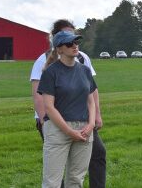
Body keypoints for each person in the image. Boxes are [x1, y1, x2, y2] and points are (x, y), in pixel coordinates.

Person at [31, 19, 106, 187]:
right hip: (59, 129)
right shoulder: (50, 72)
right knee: (52, 182)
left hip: (84, 128)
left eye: (76, 41)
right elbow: (49, 107)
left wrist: (91, 123)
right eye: (69, 43)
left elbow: (90, 100)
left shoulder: (84, 70)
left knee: (76, 180)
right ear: (59, 49)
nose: (75, 45)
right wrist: (69, 131)